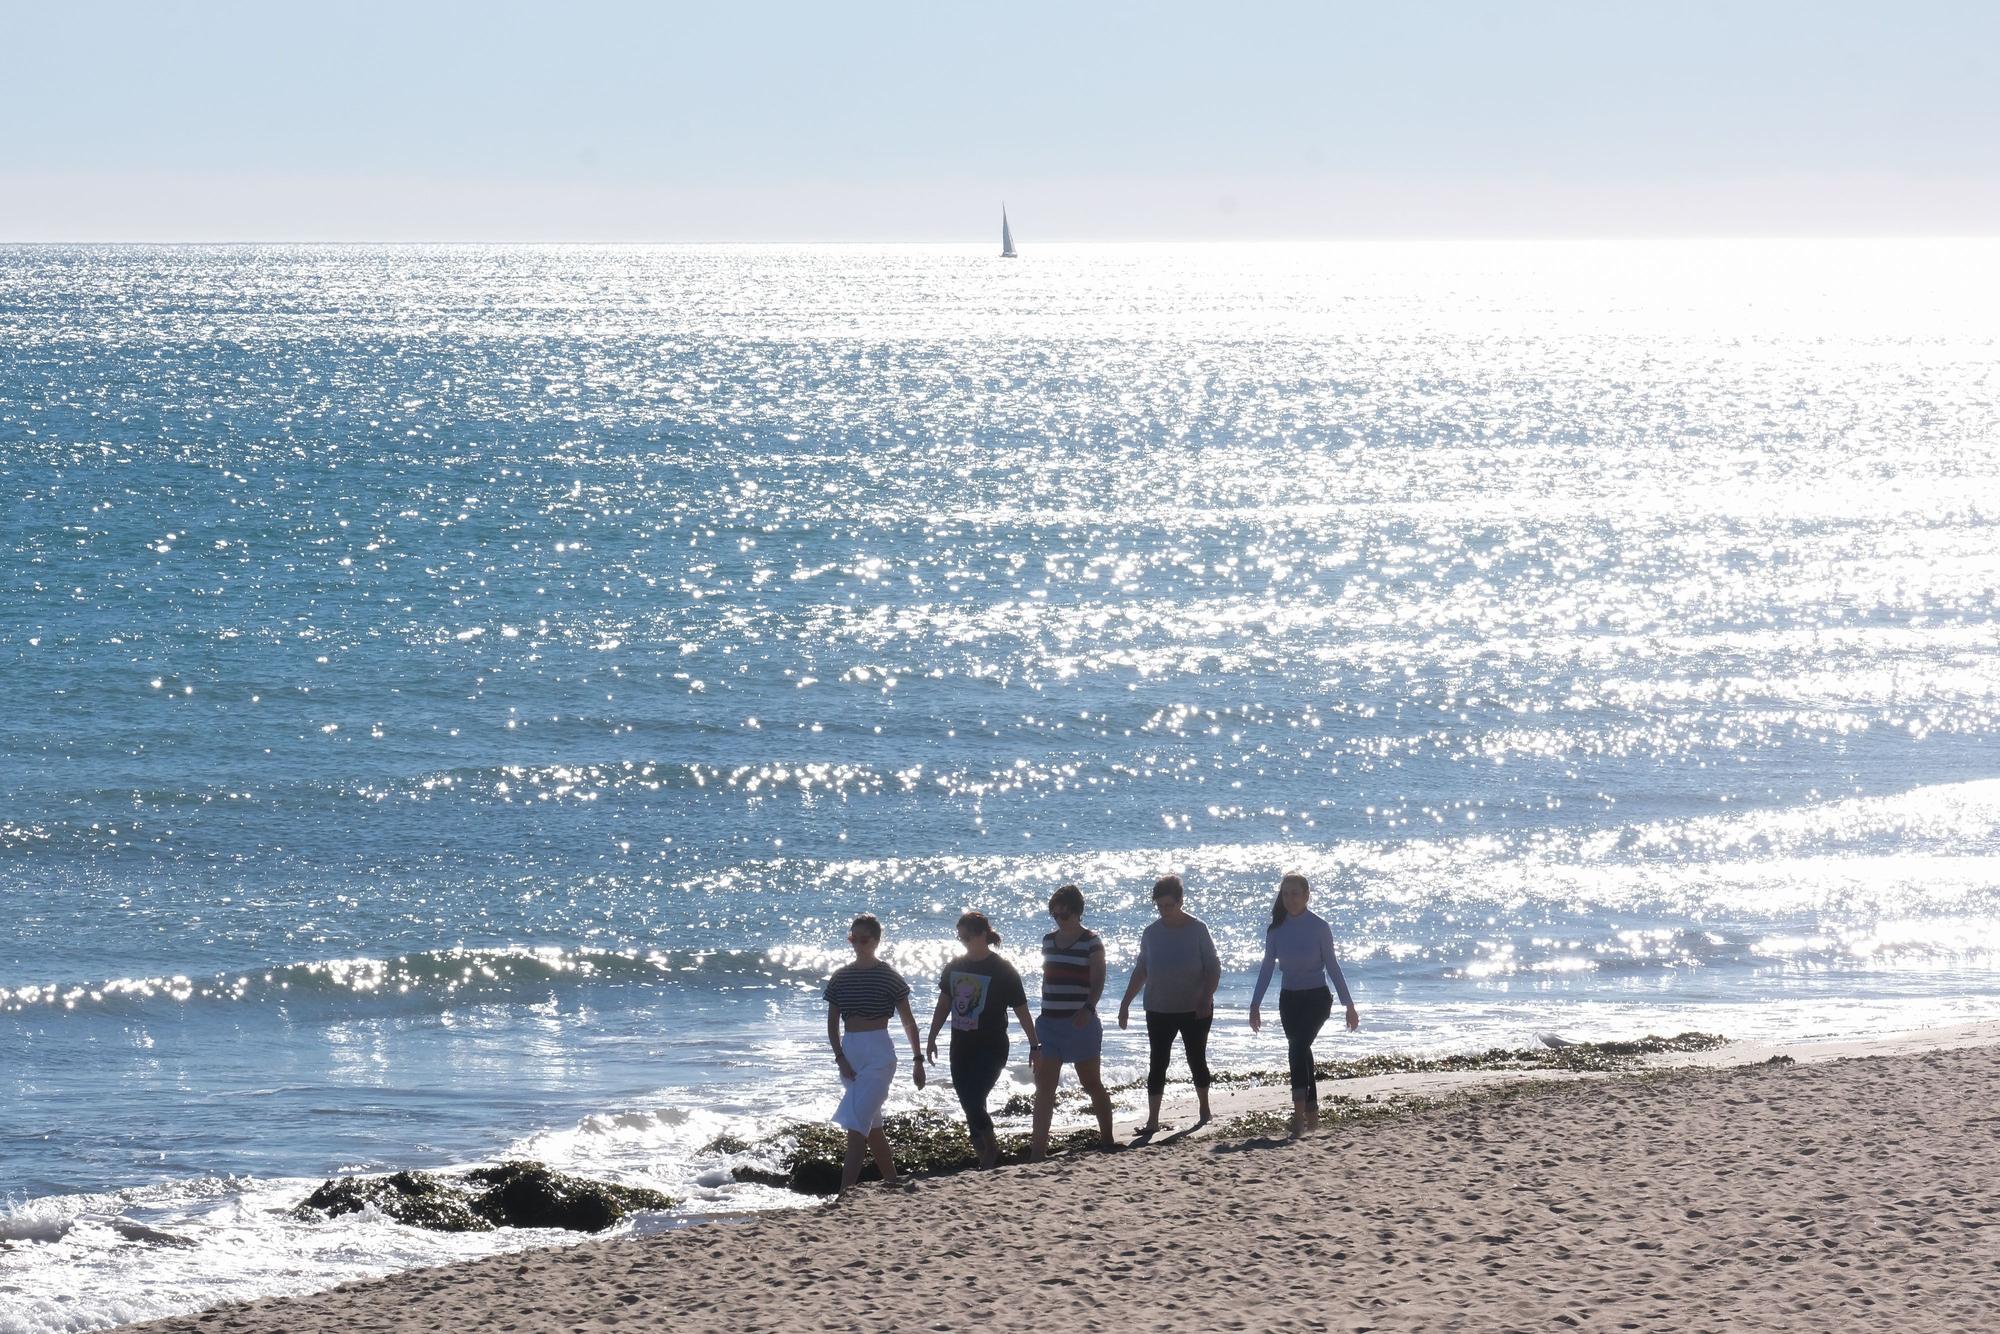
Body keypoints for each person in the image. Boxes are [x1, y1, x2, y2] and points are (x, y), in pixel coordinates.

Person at [1247, 872, 1358, 1135]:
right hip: (1290, 1000)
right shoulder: (1276, 929)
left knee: (1296, 1048)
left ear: (1307, 895)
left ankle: (1297, 1116)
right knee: (1301, 1051)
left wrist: (1348, 1005)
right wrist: (1255, 1005)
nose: (1290, 899)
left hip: (1317, 999)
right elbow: (1266, 968)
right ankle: (1312, 1115)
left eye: (1295, 893)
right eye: (1285, 894)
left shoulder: (1319, 926)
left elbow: (1332, 966)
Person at [925, 910, 1037, 1169]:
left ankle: (991, 1149)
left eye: (967, 936)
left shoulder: (1002, 969)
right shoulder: (955, 967)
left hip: (992, 1046)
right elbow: (943, 1005)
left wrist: (1034, 1044)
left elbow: (1021, 1009)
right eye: (960, 938)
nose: (963, 942)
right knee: (968, 1102)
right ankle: (984, 1156)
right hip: (961, 1046)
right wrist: (931, 1038)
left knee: (974, 1099)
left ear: (983, 934)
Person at [824, 913, 926, 1191]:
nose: (857, 943)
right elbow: (832, 1024)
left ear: (876, 941)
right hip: (851, 1051)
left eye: (863, 939)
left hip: (880, 1052)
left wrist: (918, 1060)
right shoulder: (840, 977)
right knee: (873, 1124)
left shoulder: (888, 975)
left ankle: (844, 1193)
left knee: (857, 1125)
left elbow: (908, 1021)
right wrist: (840, 1057)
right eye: (852, 938)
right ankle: (892, 1181)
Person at [1116, 874, 1221, 1136]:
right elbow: (1141, 970)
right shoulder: (1151, 933)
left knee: (1196, 1058)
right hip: (1159, 1007)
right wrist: (1125, 1003)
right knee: (1157, 1062)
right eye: (1160, 906)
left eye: (1169, 905)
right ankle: (1153, 1120)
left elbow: (1213, 968)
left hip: (1194, 1007)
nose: (1165, 911)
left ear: (1181, 902)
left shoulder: (1198, 929)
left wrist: (1206, 998)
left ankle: (1204, 1109)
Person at [1028, 883, 1116, 1159]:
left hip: (1080, 1023)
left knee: (1091, 1083)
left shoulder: (1091, 941)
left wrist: (1089, 1008)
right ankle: (1037, 1153)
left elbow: (1098, 978)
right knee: (1045, 1088)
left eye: (1065, 914)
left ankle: (1108, 1140)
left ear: (1077, 912)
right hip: (1049, 1023)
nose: (1060, 919)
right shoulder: (1048, 940)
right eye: (1055, 915)